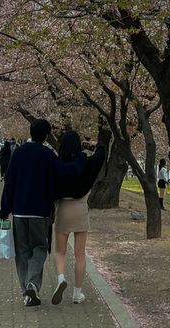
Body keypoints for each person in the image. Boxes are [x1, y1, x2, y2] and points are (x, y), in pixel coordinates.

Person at [0, 119, 88, 307]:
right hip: (41, 212)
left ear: (30, 132)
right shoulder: (47, 155)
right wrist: (81, 159)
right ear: (46, 135)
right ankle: (32, 282)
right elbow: (65, 173)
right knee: (40, 248)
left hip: (20, 212)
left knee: (22, 251)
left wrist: (4, 209)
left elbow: (9, 182)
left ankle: (27, 290)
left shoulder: (19, 153)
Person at [52, 130, 105, 306]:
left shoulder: (57, 165)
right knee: (79, 254)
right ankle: (77, 293)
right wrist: (92, 144)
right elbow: (101, 154)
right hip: (81, 209)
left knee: (60, 251)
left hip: (63, 209)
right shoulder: (87, 164)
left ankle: (61, 278)